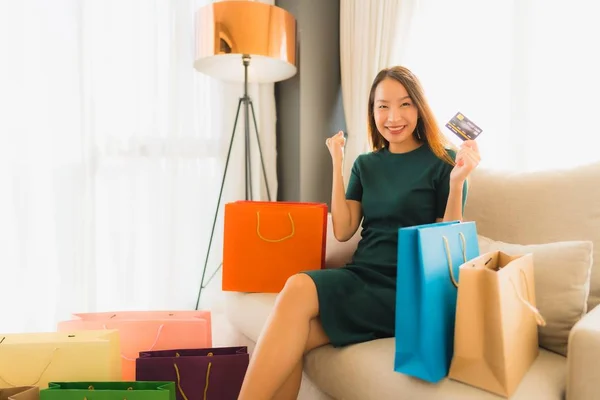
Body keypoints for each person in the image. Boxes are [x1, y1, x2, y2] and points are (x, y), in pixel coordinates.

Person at [237, 65, 481, 400]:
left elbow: (447, 241)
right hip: (362, 275)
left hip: (406, 288)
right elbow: (343, 229)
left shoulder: (445, 162)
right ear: (373, 111)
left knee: (292, 313)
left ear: (420, 108)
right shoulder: (365, 164)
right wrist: (337, 164)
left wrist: (457, 186)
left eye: (405, 104)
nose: (393, 116)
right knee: (294, 322)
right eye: (383, 106)